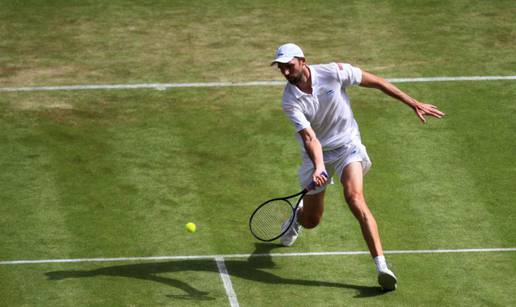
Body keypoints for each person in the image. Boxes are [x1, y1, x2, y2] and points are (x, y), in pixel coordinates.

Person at [271, 43, 445, 291]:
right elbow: (310, 138)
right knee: (312, 220)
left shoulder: (334, 72)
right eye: (281, 68)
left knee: (354, 197)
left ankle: (382, 267)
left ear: (302, 61)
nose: (286, 72)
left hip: (347, 146)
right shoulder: (289, 100)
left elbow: (376, 82)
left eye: (289, 66)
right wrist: (319, 167)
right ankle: (297, 216)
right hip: (316, 155)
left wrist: (412, 102)